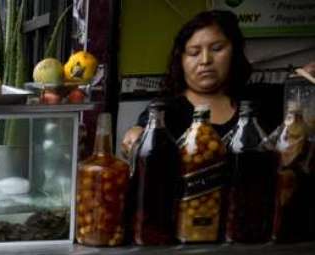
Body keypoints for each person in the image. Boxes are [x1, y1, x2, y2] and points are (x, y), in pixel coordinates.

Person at [121, 10, 282, 155]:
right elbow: (143, 129)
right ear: (181, 60)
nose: (205, 60)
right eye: (194, 52)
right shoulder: (166, 110)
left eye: (217, 49)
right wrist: (136, 134)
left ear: (234, 52)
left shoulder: (263, 100)